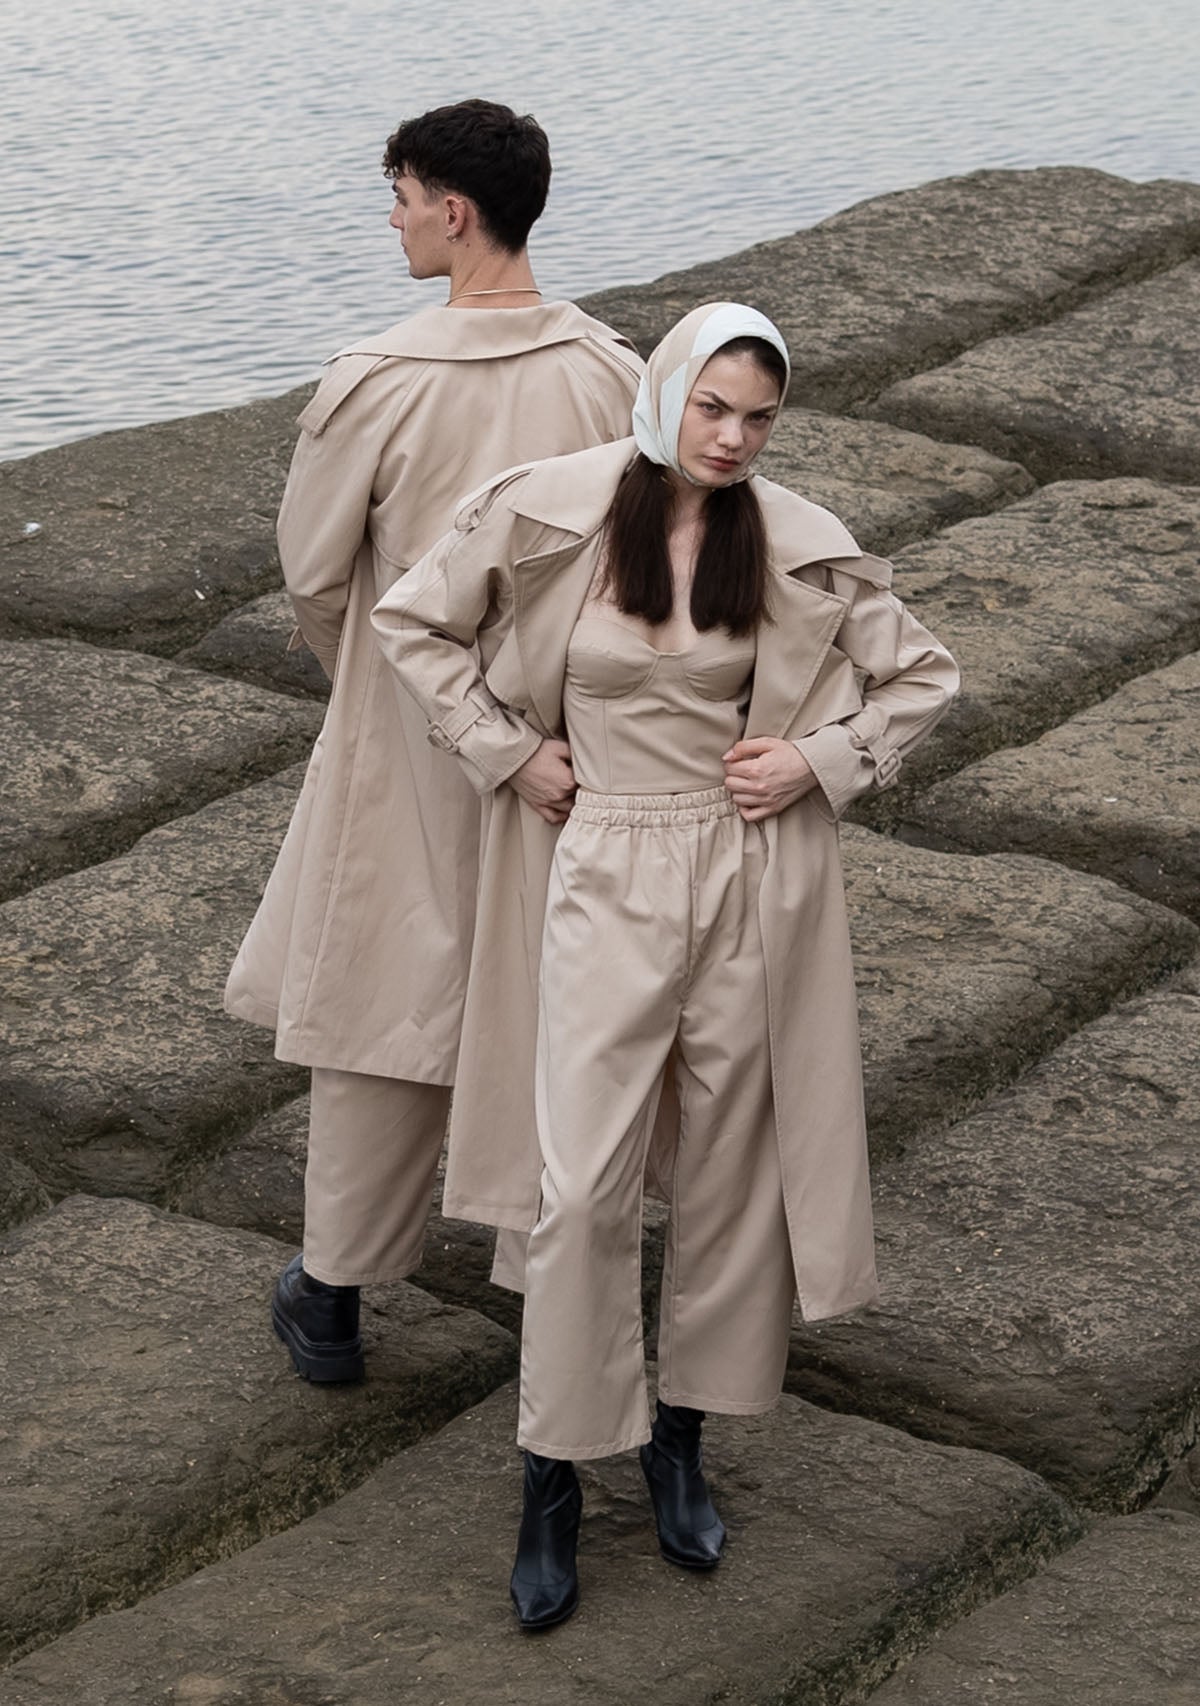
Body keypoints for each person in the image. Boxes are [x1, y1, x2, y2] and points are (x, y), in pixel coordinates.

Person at [371, 302, 959, 1628]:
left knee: (730, 1170)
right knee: (581, 1183)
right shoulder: (551, 506)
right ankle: (554, 1471)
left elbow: (922, 677)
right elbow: (415, 623)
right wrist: (507, 751)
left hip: (742, 871)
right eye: (714, 407)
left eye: (759, 417)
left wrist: (815, 759)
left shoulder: (792, 536)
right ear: (666, 391)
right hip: (596, 865)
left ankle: (682, 1441)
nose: (735, 437)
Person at [223, 99, 642, 1383]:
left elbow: (315, 576)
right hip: (571, 733)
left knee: (381, 996)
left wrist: (372, 677)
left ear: (454, 211)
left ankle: (335, 1292)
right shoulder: (614, 373)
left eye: (401, 197)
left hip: (413, 716)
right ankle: (545, 1282)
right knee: (554, 998)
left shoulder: (378, 379)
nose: (393, 218)